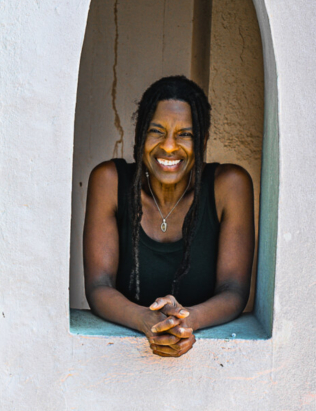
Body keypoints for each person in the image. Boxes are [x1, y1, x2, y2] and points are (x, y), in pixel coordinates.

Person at [83, 75, 255, 357]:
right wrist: (146, 320)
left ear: (203, 140)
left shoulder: (229, 186)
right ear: (140, 134)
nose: (170, 146)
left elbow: (233, 289)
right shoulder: (109, 182)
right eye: (157, 131)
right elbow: (98, 285)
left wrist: (187, 321)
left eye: (185, 134)